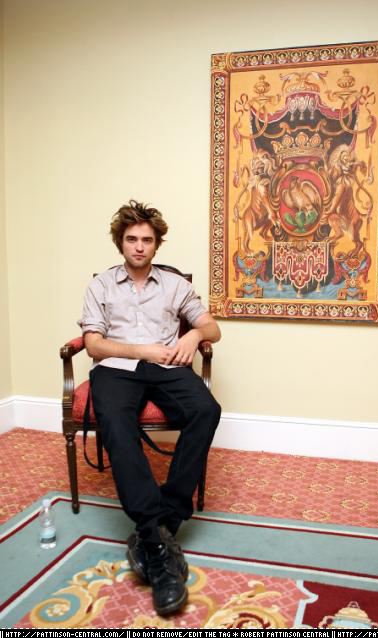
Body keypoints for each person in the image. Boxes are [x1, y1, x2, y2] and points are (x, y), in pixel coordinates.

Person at [78, 200, 221, 615]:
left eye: (146, 239)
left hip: (167, 367)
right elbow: (93, 344)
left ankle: (162, 524)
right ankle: (157, 543)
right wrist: (142, 350)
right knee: (115, 422)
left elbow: (211, 327)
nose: (139, 246)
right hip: (116, 369)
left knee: (206, 410)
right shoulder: (100, 286)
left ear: (157, 244)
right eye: (131, 239)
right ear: (120, 243)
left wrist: (193, 337)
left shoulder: (174, 285)